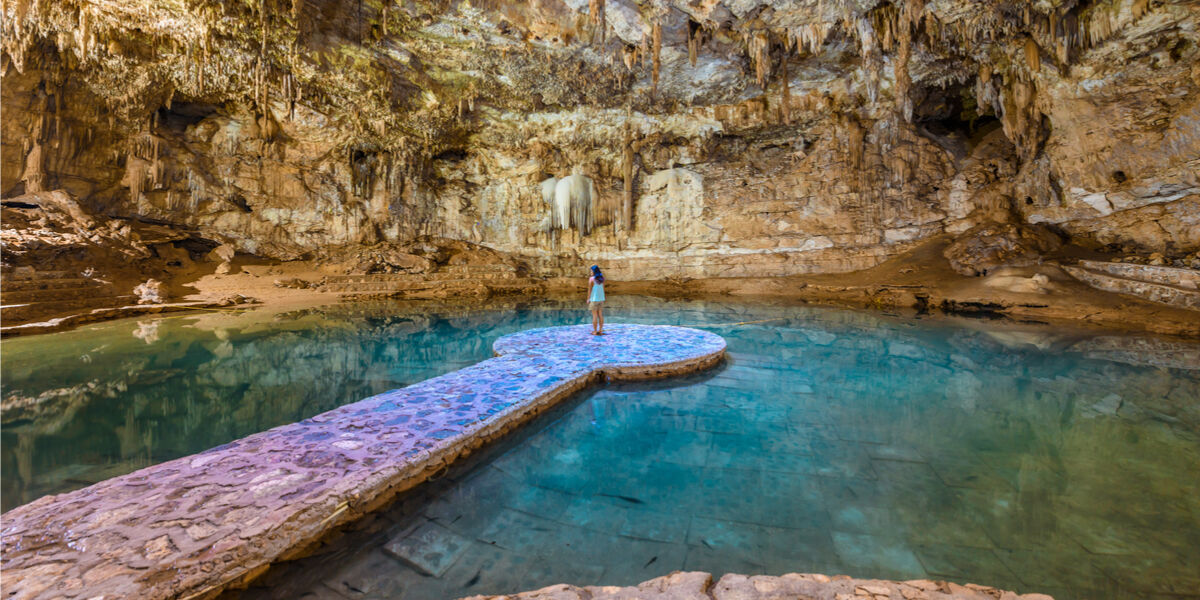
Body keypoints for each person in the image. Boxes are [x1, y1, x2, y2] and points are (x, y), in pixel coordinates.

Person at [587, 265, 606, 335]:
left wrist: (588, 299)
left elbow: (589, 290)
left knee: (594, 315)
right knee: (600, 315)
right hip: (601, 299)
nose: (590, 272)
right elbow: (603, 289)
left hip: (594, 299)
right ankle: (600, 330)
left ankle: (595, 331)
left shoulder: (591, 279)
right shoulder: (602, 279)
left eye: (591, 271)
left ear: (594, 271)